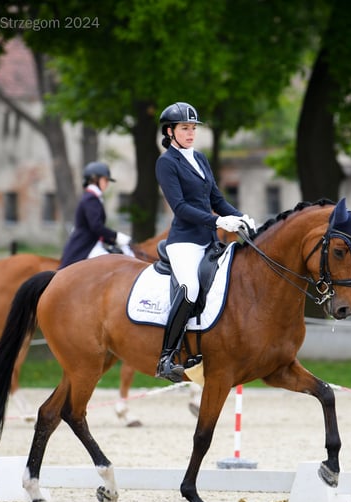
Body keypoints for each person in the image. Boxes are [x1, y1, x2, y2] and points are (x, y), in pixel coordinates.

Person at [154, 102, 256, 382]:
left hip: (209, 241)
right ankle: (166, 357)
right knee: (190, 288)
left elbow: (217, 200)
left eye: (193, 128)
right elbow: (181, 207)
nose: (190, 133)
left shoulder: (199, 159)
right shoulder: (166, 163)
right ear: (170, 131)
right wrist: (218, 222)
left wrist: (241, 216)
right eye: (184, 128)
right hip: (184, 242)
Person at [58, 161, 131, 269]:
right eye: (105, 180)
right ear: (95, 179)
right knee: (113, 265)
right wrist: (116, 236)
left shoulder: (93, 197)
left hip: (91, 243)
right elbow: (96, 226)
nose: (107, 183)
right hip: (85, 245)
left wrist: (111, 240)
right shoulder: (91, 198)